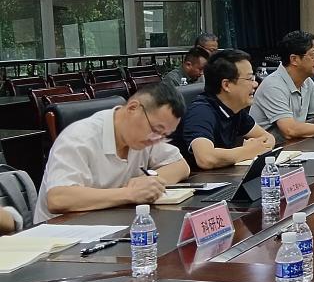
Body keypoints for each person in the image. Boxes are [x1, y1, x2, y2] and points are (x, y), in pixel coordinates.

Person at [34, 82, 190, 223]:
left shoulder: (144, 137)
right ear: (133, 108)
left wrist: (148, 184)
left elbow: (181, 166)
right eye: (156, 130)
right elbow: (58, 198)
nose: (156, 139)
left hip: (110, 223)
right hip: (62, 233)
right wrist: (129, 193)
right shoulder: (79, 137)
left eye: (165, 135)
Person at [171, 49, 275, 170]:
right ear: (226, 85)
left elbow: (268, 137)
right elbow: (206, 159)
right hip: (195, 180)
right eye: (249, 79)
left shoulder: (235, 109)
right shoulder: (201, 112)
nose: (255, 84)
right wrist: (248, 150)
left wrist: (258, 146)